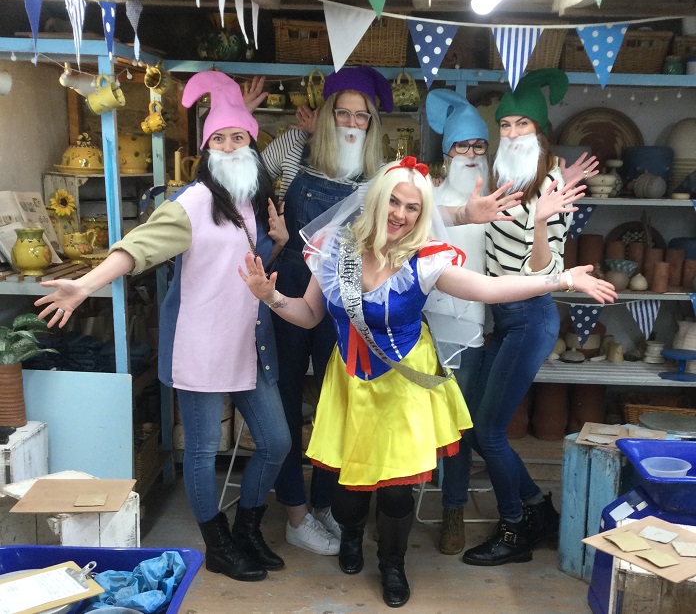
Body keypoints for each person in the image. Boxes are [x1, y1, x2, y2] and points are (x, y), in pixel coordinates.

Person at [239, 156, 616, 607]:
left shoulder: (424, 261)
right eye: (393, 202)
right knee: (347, 495)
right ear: (376, 202)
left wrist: (563, 280)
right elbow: (309, 315)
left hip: (403, 383)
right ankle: (354, 535)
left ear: (422, 214)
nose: (400, 214)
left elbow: (489, 289)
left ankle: (393, 564)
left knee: (398, 493)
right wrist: (273, 297)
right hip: (350, 384)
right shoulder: (335, 249)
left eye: (413, 207)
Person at [34, 71, 292, 583]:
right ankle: (216, 544)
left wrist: (279, 241)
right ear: (207, 149)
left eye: (237, 136)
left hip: (249, 342)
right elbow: (138, 247)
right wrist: (86, 283)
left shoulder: (252, 197)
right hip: (201, 342)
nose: (229, 145)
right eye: (218, 138)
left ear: (251, 140)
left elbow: (245, 266)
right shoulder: (193, 202)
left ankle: (247, 530)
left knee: (277, 441)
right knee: (200, 449)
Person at [460, 68, 597, 567]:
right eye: (507, 125)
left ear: (541, 132)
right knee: (476, 428)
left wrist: (542, 222)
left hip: (531, 315)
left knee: (491, 432)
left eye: (523, 125)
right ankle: (539, 509)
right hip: (499, 316)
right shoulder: (501, 178)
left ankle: (516, 531)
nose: (514, 133)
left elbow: (545, 270)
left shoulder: (552, 186)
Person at [259, 66, 394, 556]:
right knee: (289, 399)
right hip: (293, 283)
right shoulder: (296, 149)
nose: (352, 123)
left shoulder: (378, 175)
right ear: (326, 115)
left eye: (362, 116)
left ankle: (324, 508)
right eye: (343, 113)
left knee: (338, 401)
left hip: (345, 291)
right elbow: (247, 171)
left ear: (372, 124)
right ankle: (295, 514)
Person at [423, 87, 521, 556]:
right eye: (461, 146)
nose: (470, 154)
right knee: (411, 422)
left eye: (478, 146)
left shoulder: (501, 203)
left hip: (475, 332)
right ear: (446, 153)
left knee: (459, 428)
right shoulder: (425, 199)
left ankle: (453, 508)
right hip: (421, 330)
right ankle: (394, 503)